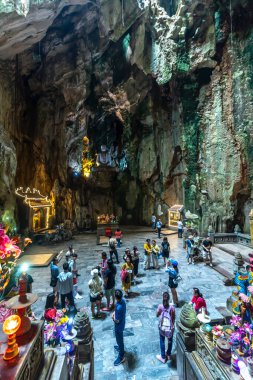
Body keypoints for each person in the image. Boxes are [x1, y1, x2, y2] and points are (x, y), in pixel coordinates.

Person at [156, 292, 175, 363]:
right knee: (170, 340)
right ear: (169, 298)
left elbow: (157, 315)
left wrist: (159, 312)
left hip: (162, 328)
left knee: (162, 340)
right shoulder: (172, 307)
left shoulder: (160, 306)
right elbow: (173, 318)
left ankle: (163, 357)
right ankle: (169, 354)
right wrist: (172, 326)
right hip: (170, 328)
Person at [112, 289, 126, 366]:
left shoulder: (119, 307)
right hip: (122, 323)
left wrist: (113, 317)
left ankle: (121, 356)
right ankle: (121, 349)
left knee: (119, 340)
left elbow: (117, 320)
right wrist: (114, 313)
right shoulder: (123, 301)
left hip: (119, 326)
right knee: (119, 339)